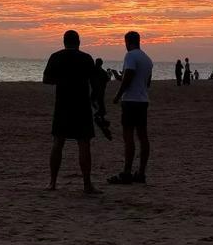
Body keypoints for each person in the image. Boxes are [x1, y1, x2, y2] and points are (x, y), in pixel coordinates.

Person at [43, 30, 100, 194]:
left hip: (62, 105)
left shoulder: (56, 56)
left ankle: (52, 182)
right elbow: (95, 83)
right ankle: (87, 184)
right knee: (84, 144)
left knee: (58, 143)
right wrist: (96, 101)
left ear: (64, 41)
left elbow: (46, 79)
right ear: (79, 42)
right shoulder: (86, 58)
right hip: (82, 106)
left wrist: (62, 81)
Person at [110, 30, 153, 185]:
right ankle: (141, 172)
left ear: (128, 41)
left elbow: (128, 76)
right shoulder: (147, 59)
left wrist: (117, 95)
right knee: (143, 137)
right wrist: (120, 78)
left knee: (128, 137)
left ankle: (127, 172)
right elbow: (146, 83)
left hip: (130, 101)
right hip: (142, 101)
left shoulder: (130, 56)